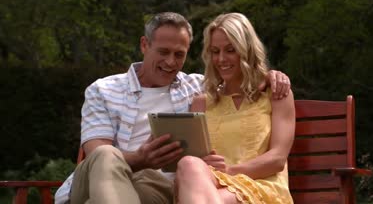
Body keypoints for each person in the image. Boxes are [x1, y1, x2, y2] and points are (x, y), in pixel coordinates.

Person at [54, 12, 291, 204]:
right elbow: (95, 154)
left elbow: (236, 77)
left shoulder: (195, 87)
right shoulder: (103, 90)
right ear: (145, 45)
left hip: (155, 189)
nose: (171, 62)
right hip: (99, 179)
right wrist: (140, 158)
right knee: (106, 155)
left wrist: (271, 76)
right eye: (164, 52)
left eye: (179, 55)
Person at [174, 13, 295, 203]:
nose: (221, 59)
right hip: (210, 187)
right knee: (188, 163)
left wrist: (228, 172)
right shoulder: (201, 103)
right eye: (215, 51)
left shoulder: (276, 94)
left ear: (247, 50)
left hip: (261, 188)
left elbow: (278, 159)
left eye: (230, 50)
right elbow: (194, 165)